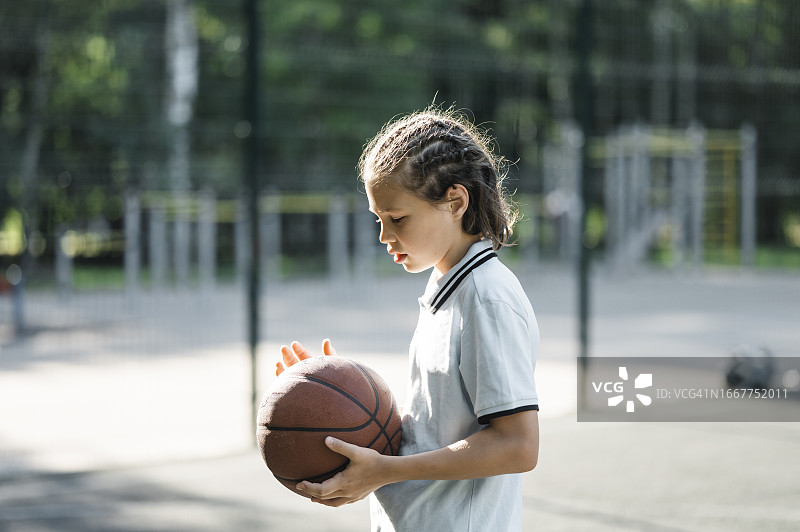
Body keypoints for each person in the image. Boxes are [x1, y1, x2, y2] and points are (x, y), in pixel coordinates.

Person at [276, 107, 540, 531]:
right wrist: (331, 394)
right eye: (378, 219)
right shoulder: (447, 288)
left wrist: (386, 470)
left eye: (397, 218)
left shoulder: (487, 297)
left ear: (455, 201)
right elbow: (438, 431)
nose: (384, 235)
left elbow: (518, 445)